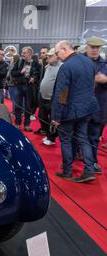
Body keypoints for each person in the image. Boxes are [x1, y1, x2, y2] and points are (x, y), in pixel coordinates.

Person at [52, 41, 100, 183]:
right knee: (83, 138)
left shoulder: (66, 66)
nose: (57, 55)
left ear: (65, 49)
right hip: (87, 108)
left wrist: (56, 116)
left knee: (65, 140)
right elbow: (91, 85)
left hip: (70, 110)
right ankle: (89, 169)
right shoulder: (88, 61)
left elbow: (62, 93)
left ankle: (67, 171)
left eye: (57, 52)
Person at [84, 37, 107, 174]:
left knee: (93, 137)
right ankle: (70, 161)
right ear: (86, 47)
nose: (94, 50)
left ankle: (92, 162)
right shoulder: (78, 61)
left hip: (98, 108)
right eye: (92, 47)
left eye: (97, 47)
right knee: (77, 136)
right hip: (79, 107)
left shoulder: (105, 64)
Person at [10, 47, 41, 131]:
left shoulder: (36, 64)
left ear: (30, 54)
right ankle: (17, 123)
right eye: (22, 52)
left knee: (28, 107)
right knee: (17, 106)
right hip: (18, 86)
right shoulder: (19, 62)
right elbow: (12, 73)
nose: (22, 54)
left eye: (24, 53)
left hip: (29, 87)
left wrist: (34, 78)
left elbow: (39, 76)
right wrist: (20, 72)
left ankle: (27, 124)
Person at [38, 48, 62, 145]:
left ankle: (51, 138)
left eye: (51, 55)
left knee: (53, 120)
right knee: (41, 117)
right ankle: (49, 135)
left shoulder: (62, 67)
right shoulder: (48, 66)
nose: (48, 57)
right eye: (48, 55)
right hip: (43, 97)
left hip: (53, 99)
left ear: (57, 56)